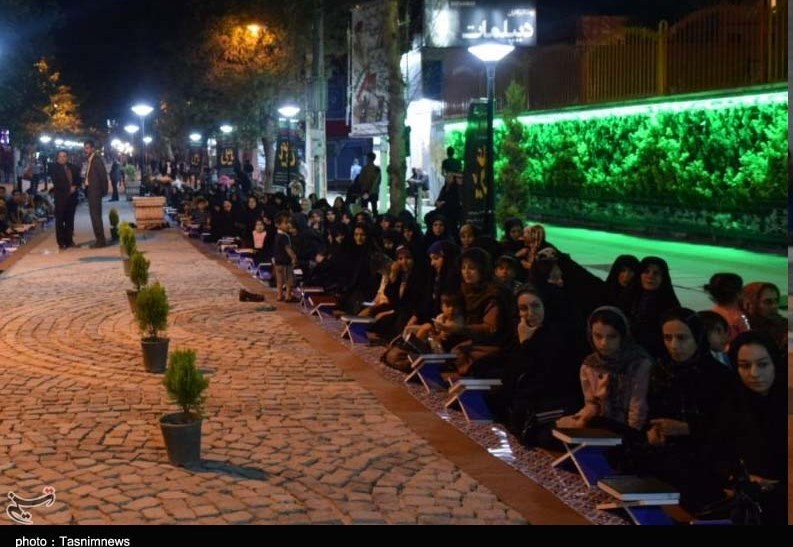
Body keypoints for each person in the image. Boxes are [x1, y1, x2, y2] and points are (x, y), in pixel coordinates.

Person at [49, 150, 80, 249]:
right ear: (57, 158)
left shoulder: (73, 167)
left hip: (72, 198)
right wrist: (68, 188)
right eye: (60, 156)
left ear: (67, 157)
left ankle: (69, 241)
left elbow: (78, 180)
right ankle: (61, 242)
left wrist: (75, 186)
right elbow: (56, 182)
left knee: (70, 220)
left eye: (64, 156)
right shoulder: (54, 168)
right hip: (61, 198)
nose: (62, 158)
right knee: (60, 221)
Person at [82, 140, 108, 247]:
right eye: (85, 148)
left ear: (93, 149)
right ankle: (99, 239)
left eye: (87, 148)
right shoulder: (90, 160)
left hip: (95, 191)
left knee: (95, 216)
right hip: (91, 190)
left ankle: (100, 240)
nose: (85, 150)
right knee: (94, 216)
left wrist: (104, 191)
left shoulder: (96, 160)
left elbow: (103, 176)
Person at [358, 152, 381, 216]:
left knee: (364, 207)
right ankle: (375, 219)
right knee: (374, 207)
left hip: (365, 191)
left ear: (368, 158)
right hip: (374, 191)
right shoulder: (377, 169)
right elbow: (379, 181)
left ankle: (365, 218)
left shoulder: (364, 169)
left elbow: (360, 180)